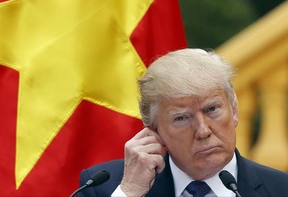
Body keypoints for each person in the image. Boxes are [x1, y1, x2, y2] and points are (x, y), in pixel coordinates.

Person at [78, 48, 288, 197]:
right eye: (182, 118)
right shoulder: (105, 186)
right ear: (153, 128)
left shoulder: (281, 189)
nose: (203, 131)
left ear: (234, 109)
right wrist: (131, 192)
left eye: (212, 109)